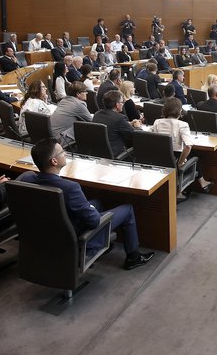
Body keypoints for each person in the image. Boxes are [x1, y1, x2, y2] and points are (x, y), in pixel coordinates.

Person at [21, 138, 154, 269]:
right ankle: (133, 257)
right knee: (128, 209)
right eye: (62, 152)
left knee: (97, 203)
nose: (65, 153)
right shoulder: (70, 188)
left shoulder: (27, 178)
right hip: (71, 236)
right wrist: (89, 208)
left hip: (49, 232)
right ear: (54, 161)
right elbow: (94, 221)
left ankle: (102, 244)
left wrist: (90, 207)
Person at [150, 97, 211, 197]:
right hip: (175, 158)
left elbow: (149, 136)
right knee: (196, 156)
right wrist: (180, 162)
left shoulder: (157, 122)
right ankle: (186, 189)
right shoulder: (183, 125)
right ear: (180, 111)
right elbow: (188, 146)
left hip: (160, 158)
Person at [92, 90, 140, 157]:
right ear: (117, 105)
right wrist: (138, 127)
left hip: (99, 152)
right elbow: (137, 136)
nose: (123, 104)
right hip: (116, 154)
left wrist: (127, 124)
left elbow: (112, 126)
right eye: (122, 102)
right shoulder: (120, 118)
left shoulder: (97, 114)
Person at [50, 82, 94, 146]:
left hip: (52, 136)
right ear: (78, 94)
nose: (86, 93)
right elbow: (92, 121)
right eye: (85, 92)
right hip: (62, 139)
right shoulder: (78, 104)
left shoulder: (63, 100)